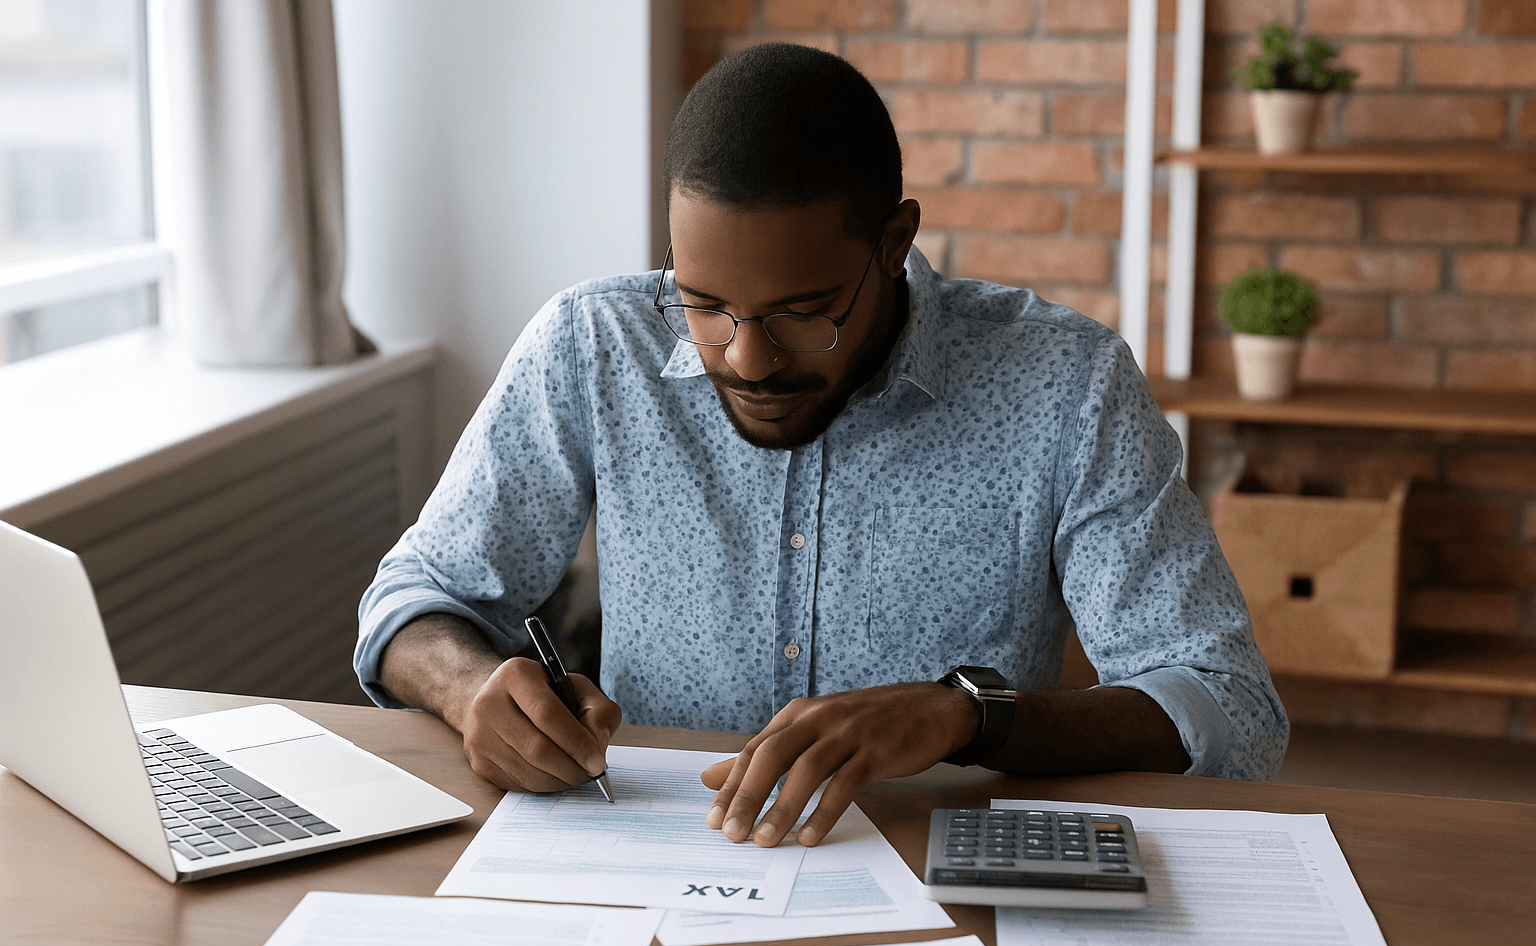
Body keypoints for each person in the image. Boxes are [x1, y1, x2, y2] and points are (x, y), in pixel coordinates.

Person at [355, 43, 1287, 850]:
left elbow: (1229, 707)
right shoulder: (593, 345)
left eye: (803, 314)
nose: (747, 357)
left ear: (893, 242)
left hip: (941, 895)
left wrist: (968, 713)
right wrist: (469, 686)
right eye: (706, 303)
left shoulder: (1066, 386)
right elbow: (411, 601)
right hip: (648, 869)